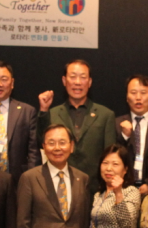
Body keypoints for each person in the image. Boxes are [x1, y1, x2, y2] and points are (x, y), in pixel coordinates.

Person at [37, 60, 116, 194]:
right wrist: (43, 110)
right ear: (64, 80)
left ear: (89, 82)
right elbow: (41, 143)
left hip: (95, 188)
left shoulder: (105, 115)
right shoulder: (52, 113)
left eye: (83, 77)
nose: (77, 82)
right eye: (73, 77)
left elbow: (110, 156)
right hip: (59, 186)